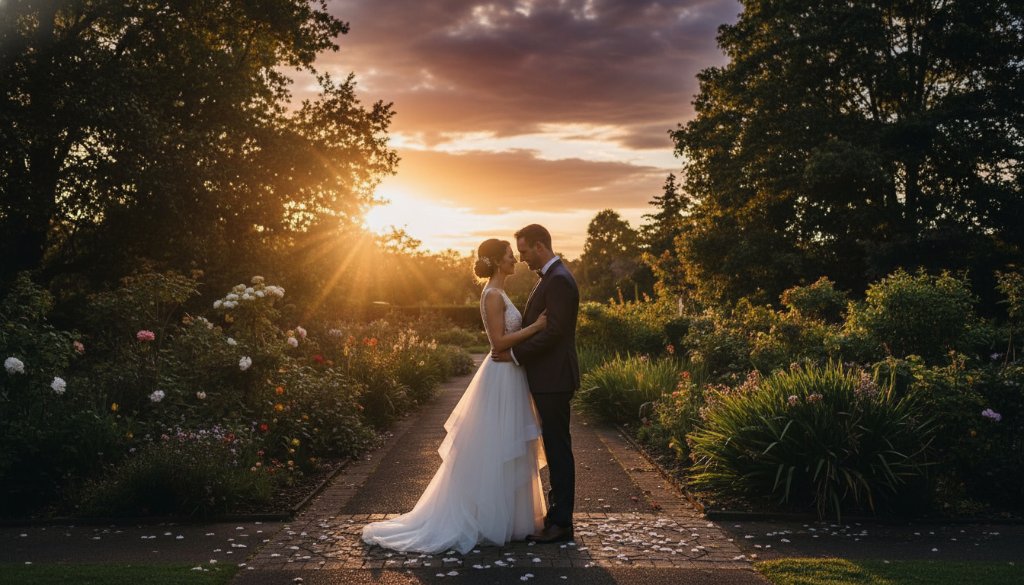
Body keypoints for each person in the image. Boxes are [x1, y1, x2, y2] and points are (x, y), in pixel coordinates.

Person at [361, 238, 549, 554]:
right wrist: (538, 327)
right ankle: (487, 519)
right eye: (508, 255)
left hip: (511, 375)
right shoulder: (491, 295)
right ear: (496, 261)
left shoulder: (500, 292)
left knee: (509, 443)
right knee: (495, 445)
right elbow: (499, 342)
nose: (514, 259)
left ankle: (513, 520)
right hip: (500, 376)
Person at [492, 224, 580, 544]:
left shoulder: (558, 280)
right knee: (555, 447)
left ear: (540, 246)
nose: (522, 258)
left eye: (525, 251)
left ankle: (561, 524)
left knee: (558, 449)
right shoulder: (552, 278)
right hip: (549, 378)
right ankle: (557, 517)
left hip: (554, 378)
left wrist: (514, 353)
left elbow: (554, 331)